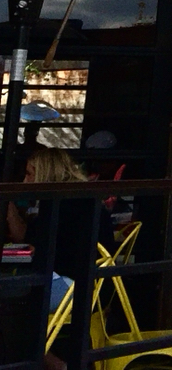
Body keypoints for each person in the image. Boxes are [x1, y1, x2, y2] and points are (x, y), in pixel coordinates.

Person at [5, 148, 115, 370]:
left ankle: (53, 364)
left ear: (44, 173)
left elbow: (29, 241)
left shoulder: (58, 204)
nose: (25, 181)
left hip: (75, 285)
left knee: (13, 301)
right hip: (95, 285)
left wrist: (8, 206)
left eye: (29, 174)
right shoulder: (78, 197)